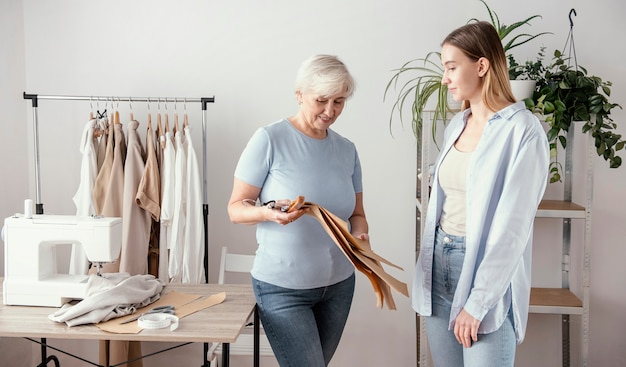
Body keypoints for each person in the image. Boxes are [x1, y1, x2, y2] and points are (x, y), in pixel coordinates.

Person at [412, 21, 550, 366]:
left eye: (451, 67)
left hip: (483, 271)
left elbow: (513, 229)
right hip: (439, 262)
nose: (445, 79)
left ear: (482, 66)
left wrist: (478, 303)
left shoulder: (523, 131)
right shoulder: (458, 123)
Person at [227, 54, 369, 367]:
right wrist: (267, 213)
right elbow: (236, 209)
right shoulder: (269, 139)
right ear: (299, 94)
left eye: (339, 101)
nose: (330, 111)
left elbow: (356, 214)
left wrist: (361, 238)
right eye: (322, 100)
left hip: (339, 287)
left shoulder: (347, 150)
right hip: (283, 290)